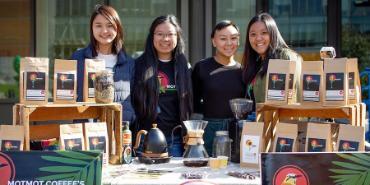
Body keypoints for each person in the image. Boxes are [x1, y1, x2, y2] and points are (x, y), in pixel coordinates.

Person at [131, 15, 192, 157]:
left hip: (175, 140)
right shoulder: (139, 65)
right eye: (160, 34)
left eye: (170, 34)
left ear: (177, 37)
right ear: (152, 36)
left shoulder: (184, 66)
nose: (165, 39)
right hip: (145, 139)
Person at [192, 20, 245, 156]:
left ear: (238, 41)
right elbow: (193, 103)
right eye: (223, 39)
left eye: (233, 38)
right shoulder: (201, 67)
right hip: (209, 130)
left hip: (237, 130)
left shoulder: (244, 70)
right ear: (214, 41)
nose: (228, 43)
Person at [242, 12, 302, 110]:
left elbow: (296, 95)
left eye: (264, 33)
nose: (258, 38)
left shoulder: (285, 56)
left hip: (285, 123)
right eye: (253, 34)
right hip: (261, 123)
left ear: (273, 33)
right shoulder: (257, 63)